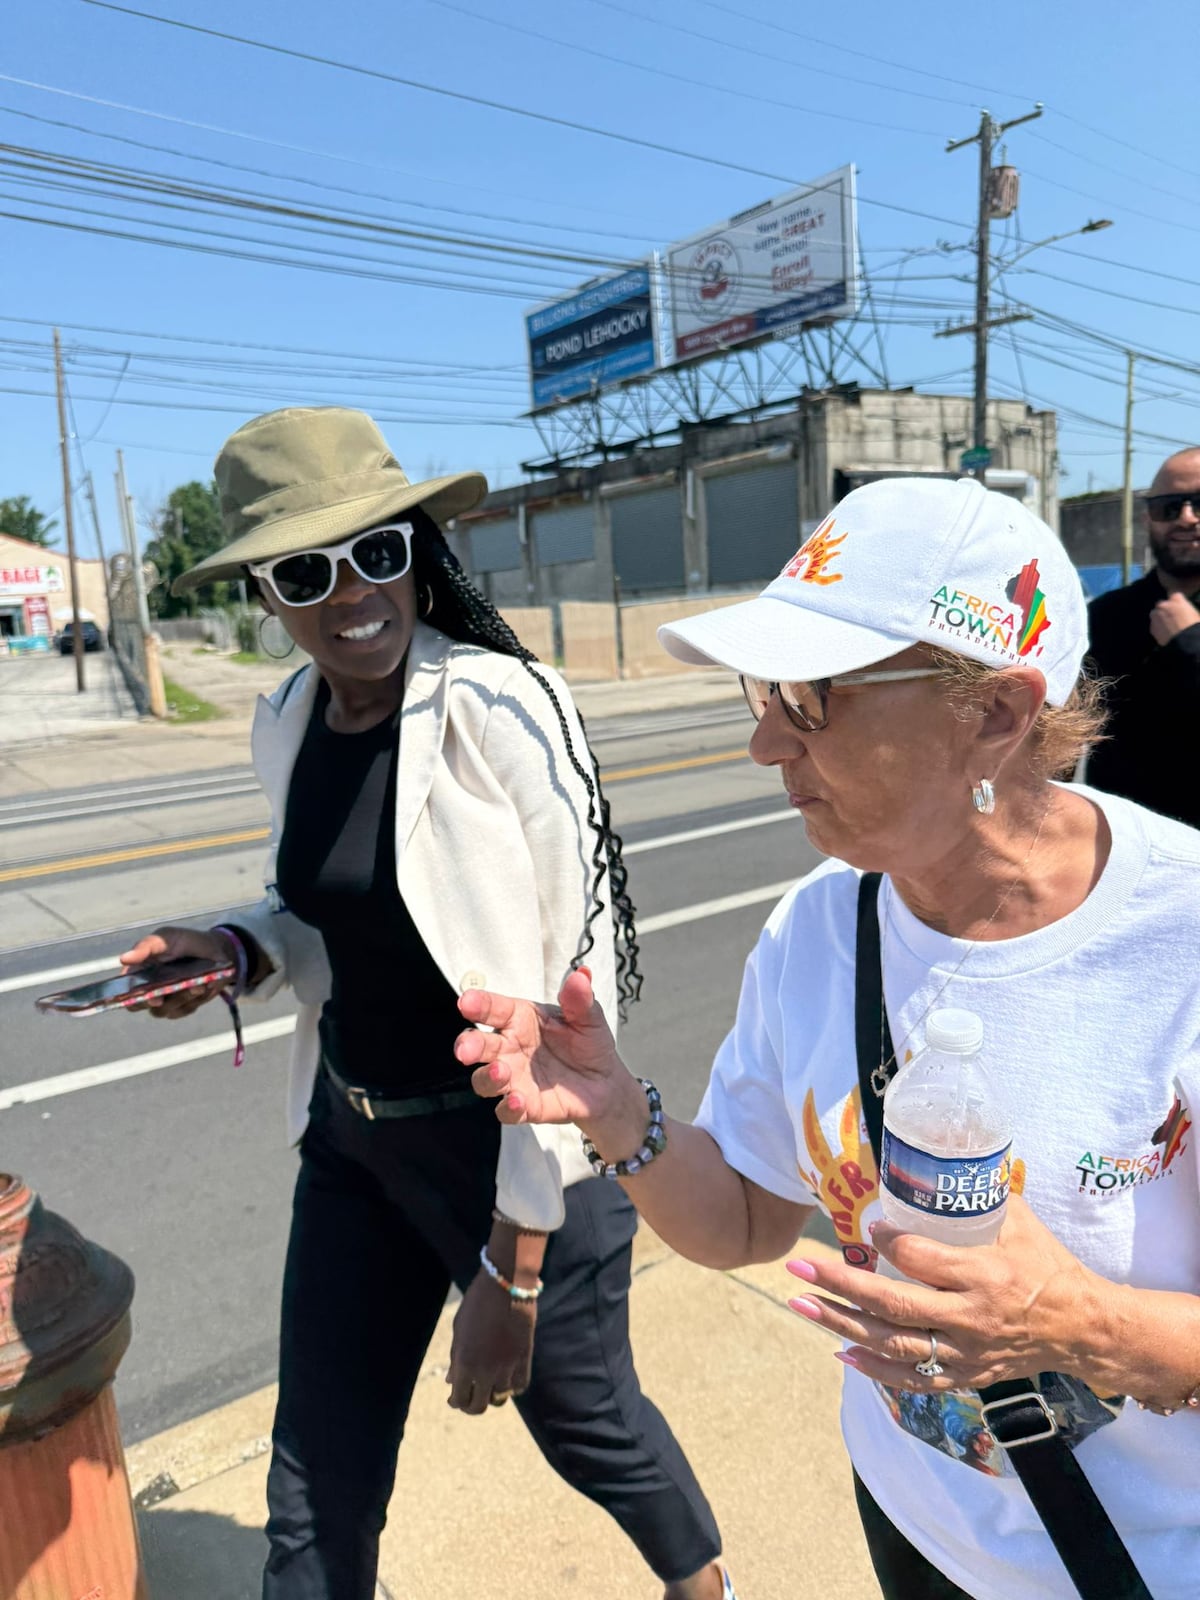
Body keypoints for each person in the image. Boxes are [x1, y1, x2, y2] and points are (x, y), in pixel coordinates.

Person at [458, 477, 1200, 1600]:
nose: (764, 741)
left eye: (809, 697)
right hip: (915, 1523)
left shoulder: (1178, 938)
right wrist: (615, 1112)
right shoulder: (820, 926)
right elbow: (744, 1217)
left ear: (995, 714)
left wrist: (1079, 1323)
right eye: (764, 690)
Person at [119, 406, 732, 1600]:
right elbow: (327, 911)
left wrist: (515, 1269)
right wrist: (236, 951)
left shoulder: (502, 703)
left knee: (590, 1425)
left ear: (417, 550)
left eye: (377, 551)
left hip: (511, 1148)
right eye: (307, 571)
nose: (353, 592)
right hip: (353, 1145)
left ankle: (703, 1585)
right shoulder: (288, 720)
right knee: (314, 1484)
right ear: (265, 593)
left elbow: (578, 976)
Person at [1085, 446, 1200, 827]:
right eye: (1169, 507)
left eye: (1199, 504)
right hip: (1121, 843)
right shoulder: (1106, 615)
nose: (1186, 518)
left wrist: (1190, 641)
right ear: (1148, 517)